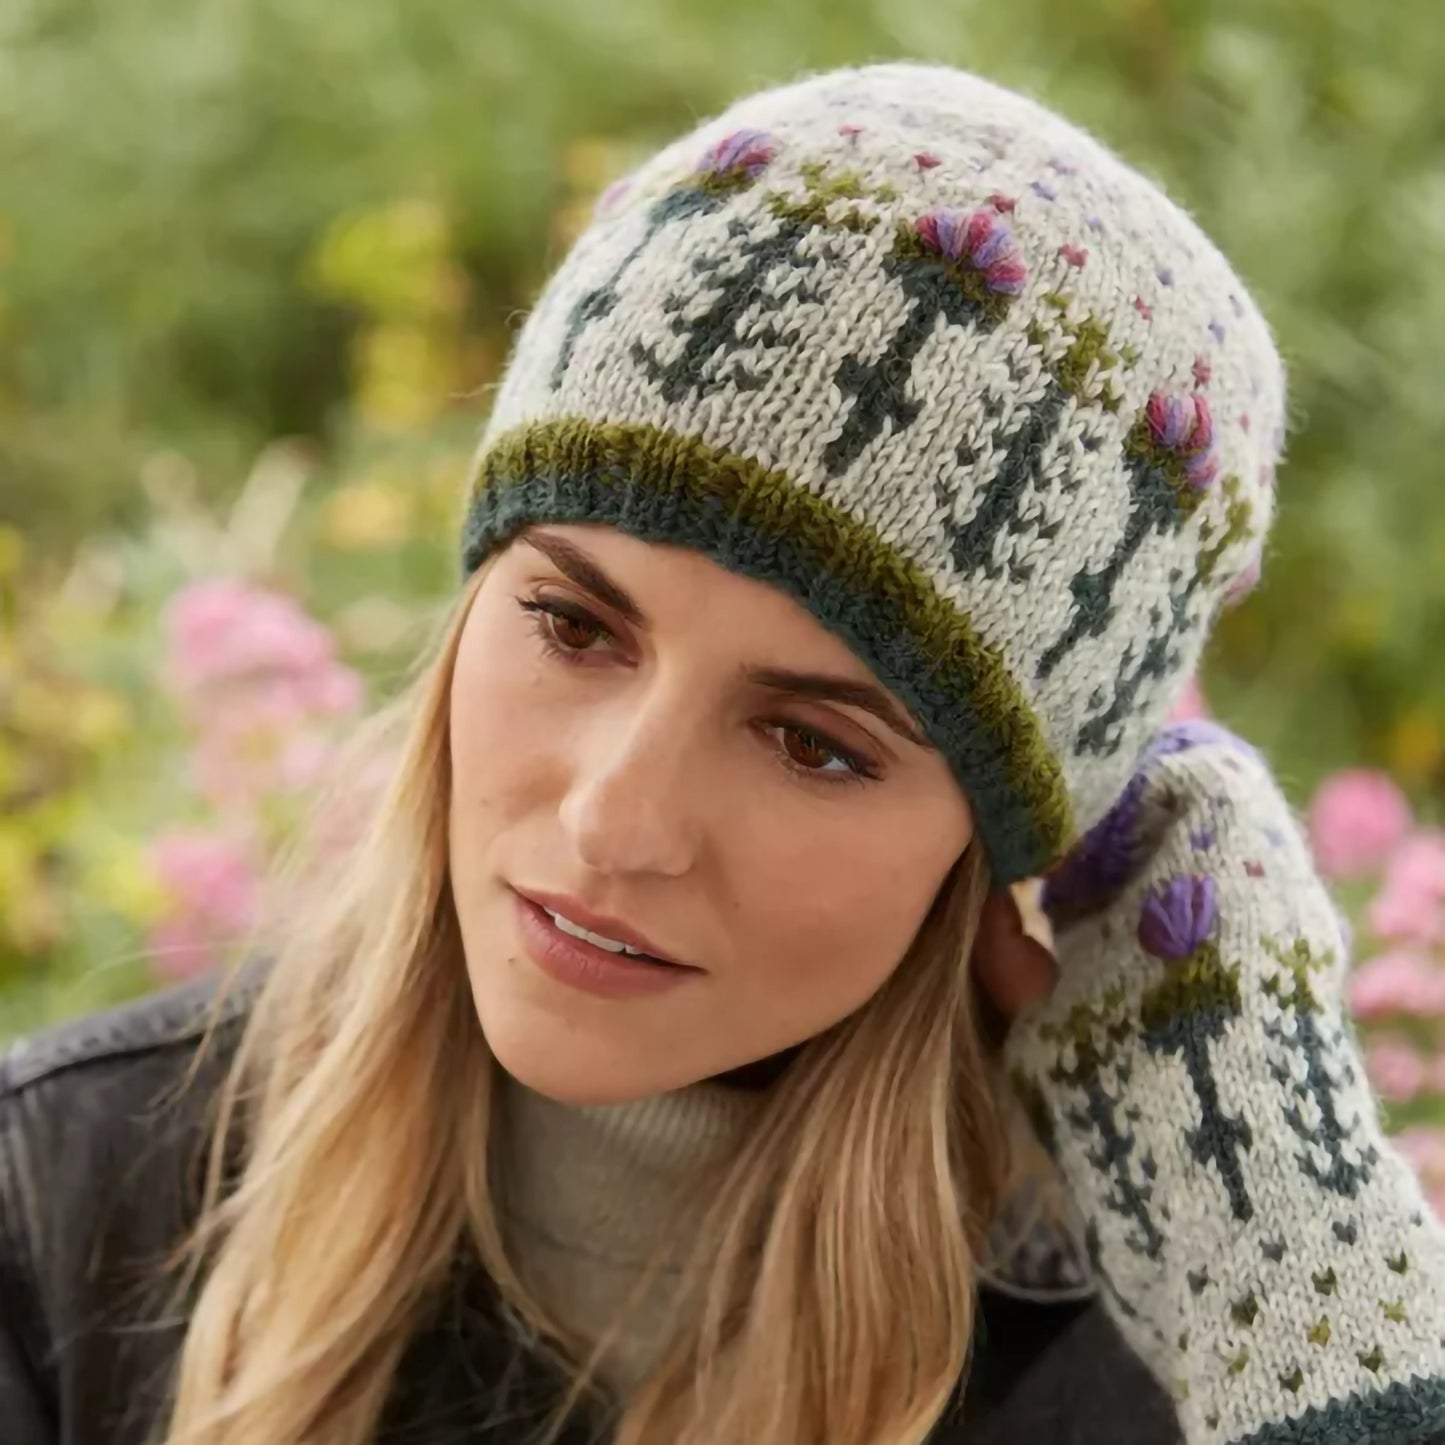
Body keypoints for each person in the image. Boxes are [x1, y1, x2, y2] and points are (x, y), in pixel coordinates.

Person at [1, 60, 1441, 1445]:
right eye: (573, 625)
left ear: (1007, 841)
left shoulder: (1147, 1377)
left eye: (812, 745)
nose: (614, 817)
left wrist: (1298, 1286)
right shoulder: (64, 1195)